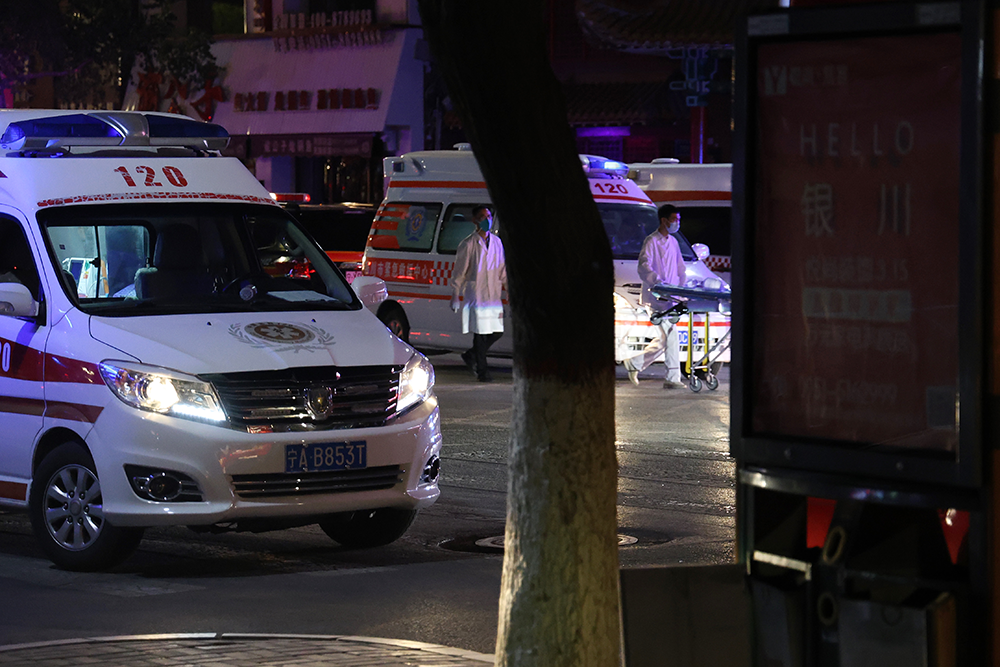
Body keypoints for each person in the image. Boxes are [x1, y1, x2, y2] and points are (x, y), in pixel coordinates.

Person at [624, 204, 687, 389]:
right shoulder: (651, 241)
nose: (677, 223)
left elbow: (681, 268)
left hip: (671, 297)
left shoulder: (673, 242)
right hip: (656, 297)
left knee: (664, 338)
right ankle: (672, 378)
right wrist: (657, 282)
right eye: (674, 219)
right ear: (664, 220)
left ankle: (634, 363)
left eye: (678, 220)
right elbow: (644, 265)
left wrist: (682, 289)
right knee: (671, 334)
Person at [450, 205, 507, 382]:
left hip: (493, 296)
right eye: (483, 216)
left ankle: (471, 355)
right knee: (481, 334)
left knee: (496, 332)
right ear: (475, 220)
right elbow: (460, 272)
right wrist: (455, 294)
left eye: (489, 216)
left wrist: (508, 289)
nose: (487, 220)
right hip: (477, 296)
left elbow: (502, 270)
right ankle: (483, 371)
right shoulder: (468, 244)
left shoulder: (497, 243)